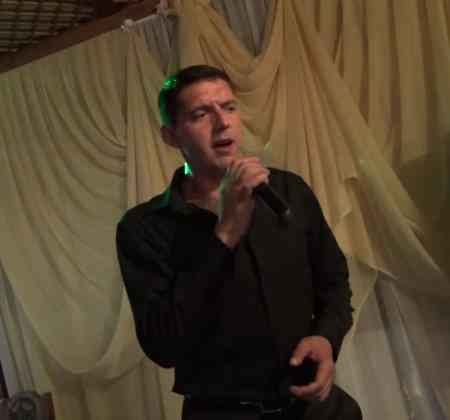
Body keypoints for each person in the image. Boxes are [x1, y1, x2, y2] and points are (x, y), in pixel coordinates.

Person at [116, 65, 362, 420]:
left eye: (229, 107)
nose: (223, 123)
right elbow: (163, 345)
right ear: (171, 136)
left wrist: (327, 338)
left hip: (318, 410)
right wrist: (226, 231)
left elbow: (335, 282)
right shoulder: (143, 229)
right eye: (201, 114)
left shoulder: (288, 190)